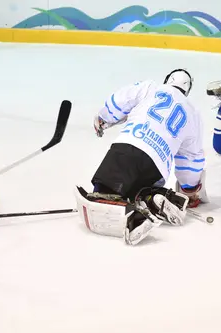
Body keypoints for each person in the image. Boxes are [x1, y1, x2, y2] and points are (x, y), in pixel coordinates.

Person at [74, 68, 208, 245]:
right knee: (137, 191)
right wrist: (189, 189)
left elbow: (121, 99)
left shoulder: (150, 87)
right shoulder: (194, 113)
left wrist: (104, 116)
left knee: (102, 193)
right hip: (157, 167)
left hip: (128, 147)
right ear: (188, 90)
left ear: (167, 80)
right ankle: (151, 199)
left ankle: (129, 212)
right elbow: (191, 158)